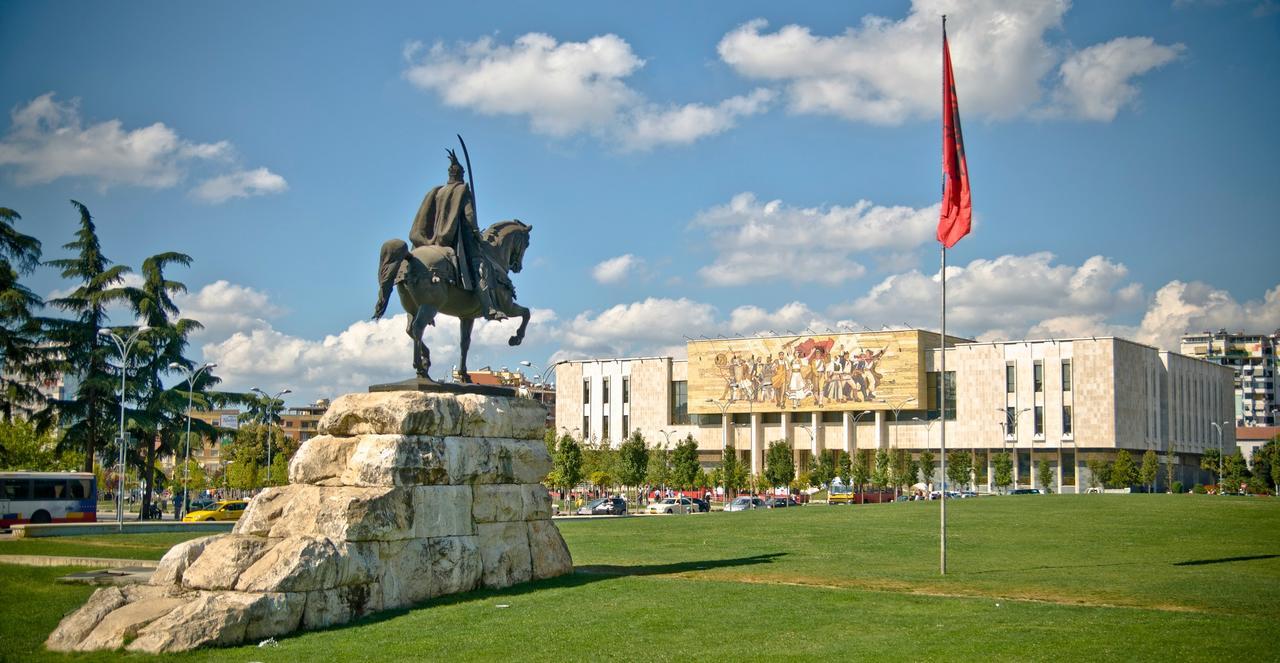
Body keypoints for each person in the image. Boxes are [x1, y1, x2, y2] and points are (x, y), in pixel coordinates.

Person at [405, 149, 505, 320]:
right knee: (480, 267)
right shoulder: (462, 190)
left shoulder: (437, 191)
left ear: (450, 174)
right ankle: (488, 308)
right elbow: (469, 216)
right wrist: (476, 233)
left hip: (433, 239)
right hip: (458, 239)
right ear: (461, 174)